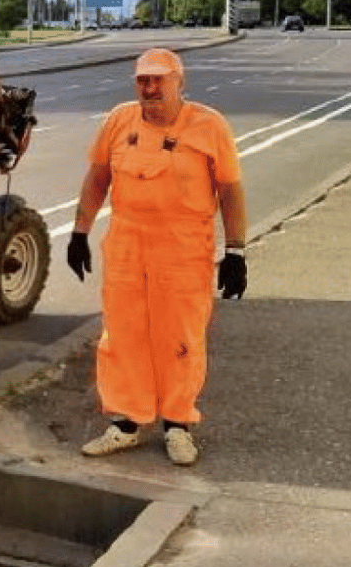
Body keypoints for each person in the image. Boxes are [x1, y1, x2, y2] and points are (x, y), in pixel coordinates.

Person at [66, 48, 248, 467]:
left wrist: (235, 251)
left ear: (178, 83)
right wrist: (80, 231)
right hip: (128, 246)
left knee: (180, 338)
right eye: (142, 81)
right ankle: (128, 421)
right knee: (123, 335)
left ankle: (177, 424)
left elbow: (230, 192)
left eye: (158, 80)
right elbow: (97, 179)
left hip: (183, 250)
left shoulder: (209, 126)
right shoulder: (119, 121)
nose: (149, 88)